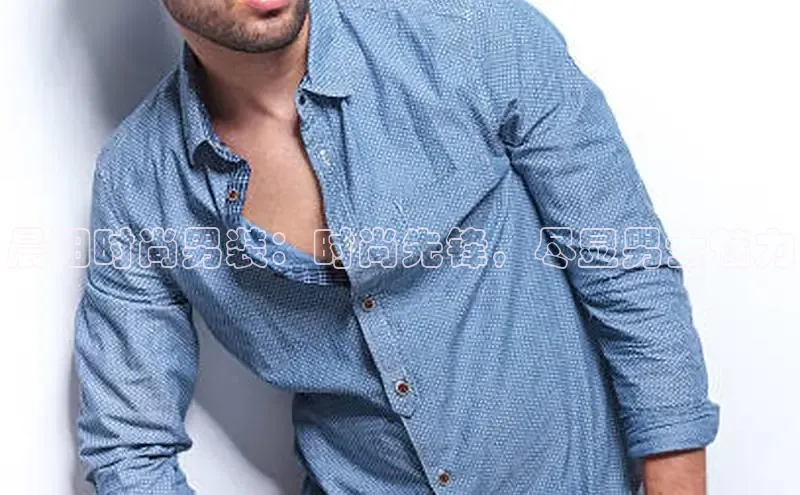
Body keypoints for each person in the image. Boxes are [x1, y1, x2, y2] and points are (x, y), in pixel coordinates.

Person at [73, 0, 720, 493]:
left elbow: (624, 264)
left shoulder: (471, 32)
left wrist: (676, 478)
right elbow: (128, 444)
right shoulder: (140, 184)